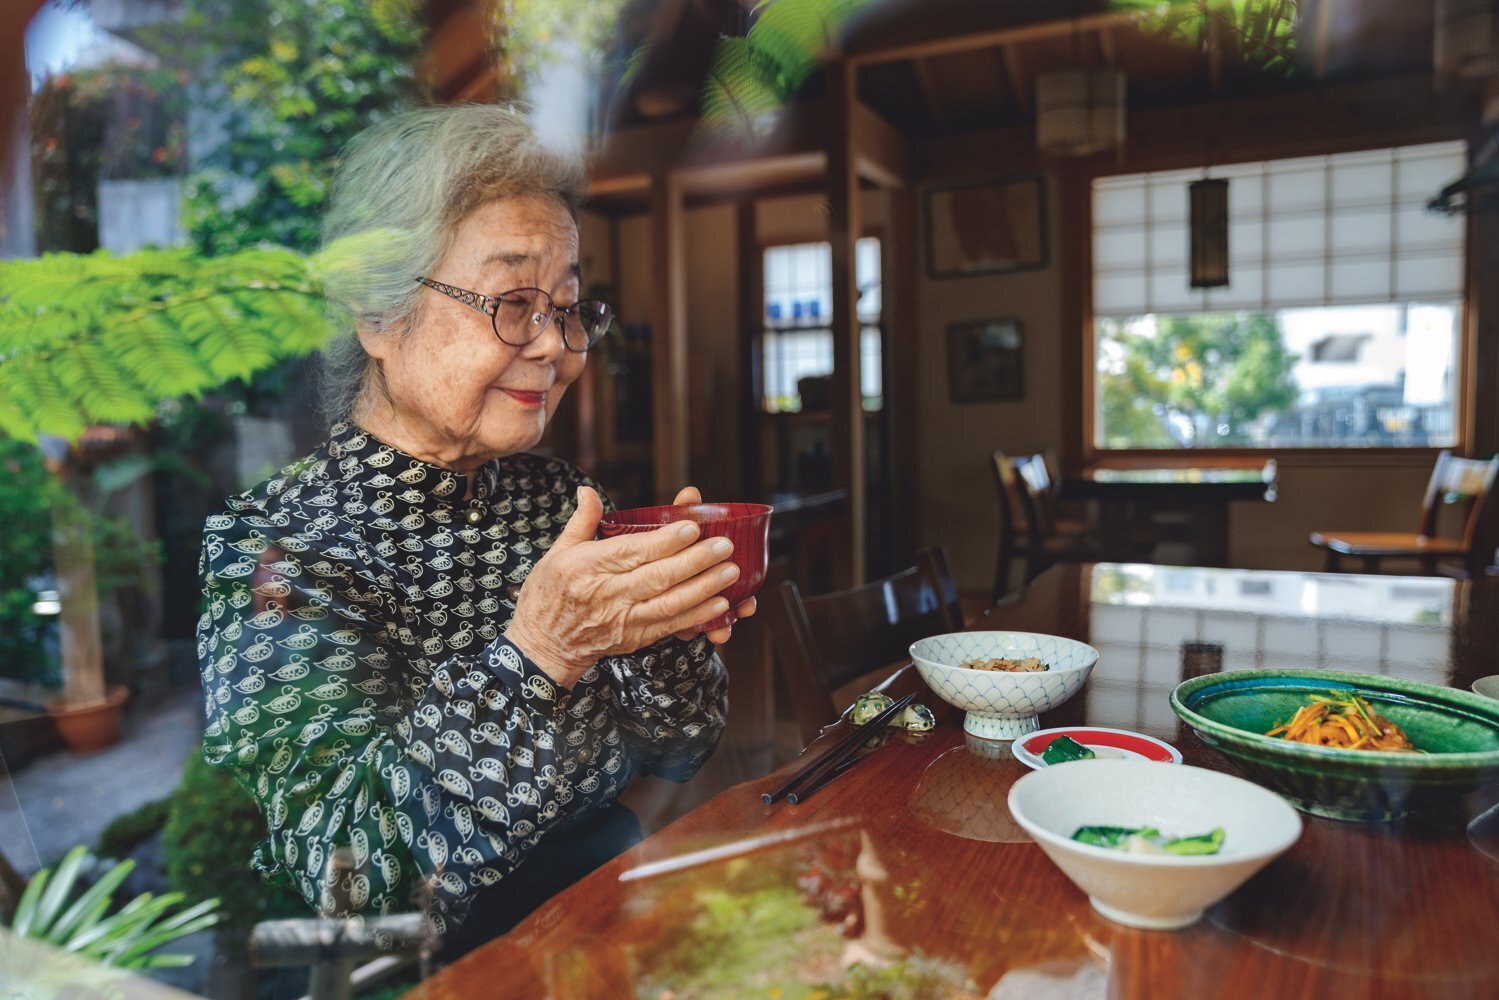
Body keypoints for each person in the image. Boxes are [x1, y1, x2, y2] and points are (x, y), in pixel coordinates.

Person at [196, 103, 750, 954]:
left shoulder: (563, 499)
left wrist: (660, 628)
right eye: (512, 302)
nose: (554, 348)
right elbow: (348, 883)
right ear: (379, 316)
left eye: (566, 308)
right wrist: (541, 655)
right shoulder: (275, 548)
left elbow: (680, 750)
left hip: (609, 915)